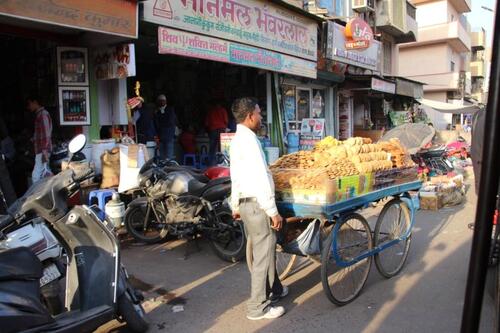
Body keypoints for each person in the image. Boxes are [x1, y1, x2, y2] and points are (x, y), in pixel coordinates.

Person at [230, 97, 287, 321]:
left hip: (246, 204)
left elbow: (235, 176)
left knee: (266, 248)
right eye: (259, 113)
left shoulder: (237, 140)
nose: (261, 117)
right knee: (262, 255)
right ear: (250, 116)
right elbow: (260, 178)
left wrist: (235, 204)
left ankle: (276, 289)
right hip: (256, 204)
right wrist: (273, 210)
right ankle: (257, 308)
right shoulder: (249, 141)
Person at [26, 95, 52, 183]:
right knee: (44, 174)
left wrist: (44, 150)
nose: (28, 107)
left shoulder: (43, 115)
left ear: (35, 102)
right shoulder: (40, 115)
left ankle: (37, 196)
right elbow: (41, 133)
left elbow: (46, 133)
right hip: (42, 150)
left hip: (42, 150)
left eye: (29, 104)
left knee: (36, 176)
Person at [205, 99, 228, 165]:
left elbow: (206, 123)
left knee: (212, 148)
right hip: (221, 130)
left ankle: (211, 164)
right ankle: (222, 163)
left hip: (212, 130)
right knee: (222, 148)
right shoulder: (223, 110)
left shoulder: (210, 111)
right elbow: (226, 121)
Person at [155, 94, 177, 159]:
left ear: (165, 101)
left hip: (169, 136)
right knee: (162, 156)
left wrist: (161, 121)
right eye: (160, 101)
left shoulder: (170, 110)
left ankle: (168, 168)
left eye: (163, 101)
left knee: (168, 156)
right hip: (161, 137)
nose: (161, 102)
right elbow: (157, 124)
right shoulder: (158, 111)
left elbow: (170, 122)